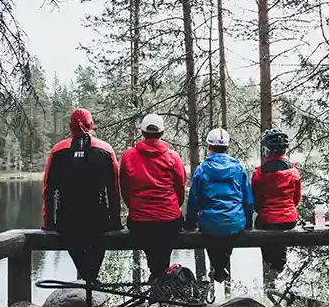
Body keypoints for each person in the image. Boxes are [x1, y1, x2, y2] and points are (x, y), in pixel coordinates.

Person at [42, 108, 120, 282]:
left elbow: (48, 189)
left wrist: (49, 223)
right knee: (91, 273)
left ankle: (86, 290)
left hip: (67, 223)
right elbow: (113, 189)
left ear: (70, 127)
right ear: (91, 125)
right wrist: (115, 222)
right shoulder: (105, 149)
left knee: (84, 271)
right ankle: (90, 290)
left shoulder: (58, 150)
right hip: (98, 222)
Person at [120, 113, 186, 279]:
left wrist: (134, 208)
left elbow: (124, 188)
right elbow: (180, 188)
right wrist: (173, 207)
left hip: (139, 223)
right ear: (162, 133)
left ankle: (157, 277)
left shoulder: (128, 156)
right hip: (169, 222)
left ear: (143, 132)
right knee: (161, 259)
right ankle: (161, 279)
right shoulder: (173, 157)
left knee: (156, 261)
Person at [186, 127, 253, 282]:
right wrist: (248, 223)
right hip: (235, 223)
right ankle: (220, 268)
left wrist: (190, 223)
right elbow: (248, 200)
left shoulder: (202, 169)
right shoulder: (239, 168)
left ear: (209, 146)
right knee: (225, 241)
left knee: (213, 237)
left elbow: (193, 201)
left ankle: (218, 268)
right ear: (227, 147)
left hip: (209, 224)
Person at [251, 128, 301, 276]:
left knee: (260, 224)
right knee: (279, 231)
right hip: (290, 220)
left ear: (266, 150)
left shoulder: (259, 173)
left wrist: (265, 211)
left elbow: (255, 200)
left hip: (267, 220)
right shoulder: (294, 172)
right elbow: (296, 198)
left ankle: (271, 263)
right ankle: (279, 263)